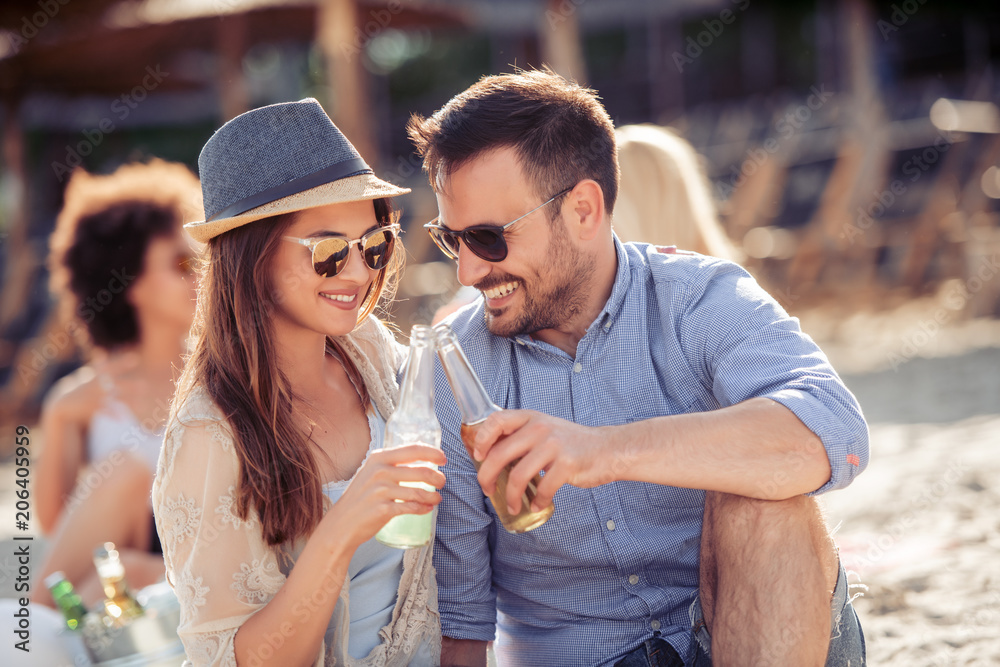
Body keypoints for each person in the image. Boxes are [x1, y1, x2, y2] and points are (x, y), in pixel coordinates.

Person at [410, 70, 869, 666]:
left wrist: (603, 451)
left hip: (759, 632)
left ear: (582, 210)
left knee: (763, 497)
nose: (466, 274)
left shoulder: (701, 298)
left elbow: (837, 432)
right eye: (452, 241)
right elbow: (462, 627)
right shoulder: (453, 369)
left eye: (489, 239)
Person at [152, 98, 445, 666]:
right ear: (252, 255)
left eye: (375, 244)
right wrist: (339, 533)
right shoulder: (208, 434)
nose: (360, 272)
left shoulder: (370, 354)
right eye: (329, 251)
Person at [33, 159, 200, 608]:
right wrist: (60, 413)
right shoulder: (86, 397)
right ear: (129, 282)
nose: (200, 275)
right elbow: (55, 530)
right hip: (115, 581)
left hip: (193, 567)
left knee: (124, 489)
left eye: (202, 258)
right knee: (98, 578)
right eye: (182, 262)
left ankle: (22, 636)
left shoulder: (219, 373)